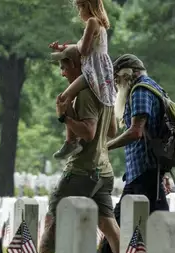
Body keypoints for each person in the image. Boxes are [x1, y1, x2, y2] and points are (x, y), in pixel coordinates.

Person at [38, 45, 119, 253]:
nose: (62, 73)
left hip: (82, 170)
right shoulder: (105, 91)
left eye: (64, 67)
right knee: (110, 228)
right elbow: (111, 130)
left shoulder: (84, 93)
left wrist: (64, 117)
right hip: (103, 172)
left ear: (75, 65)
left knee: (54, 215)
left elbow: (89, 132)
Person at [95, 54, 170, 253]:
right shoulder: (153, 87)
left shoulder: (140, 91)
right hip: (148, 169)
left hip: (143, 169)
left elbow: (136, 131)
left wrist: (105, 146)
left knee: (117, 219)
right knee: (157, 220)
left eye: (117, 80)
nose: (117, 85)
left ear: (127, 74)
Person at [48, 0, 116, 161]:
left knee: (64, 98)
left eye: (80, 8)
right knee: (72, 98)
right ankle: (72, 140)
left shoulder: (92, 22)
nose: (79, 13)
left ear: (88, 6)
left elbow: (84, 49)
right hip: (102, 72)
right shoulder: (100, 25)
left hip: (93, 72)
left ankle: (71, 141)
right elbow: (85, 46)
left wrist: (69, 50)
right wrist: (63, 49)